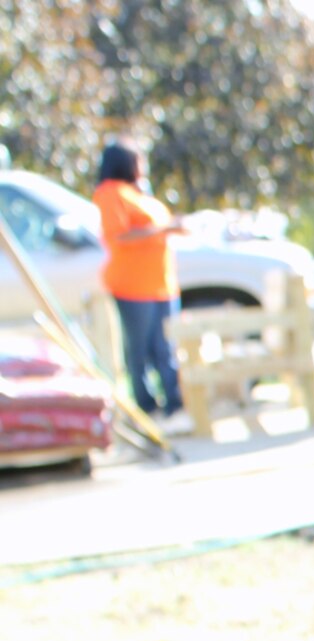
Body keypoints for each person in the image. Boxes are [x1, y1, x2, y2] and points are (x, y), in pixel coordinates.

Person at [91, 140, 191, 436]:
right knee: (140, 350)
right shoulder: (110, 193)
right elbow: (119, 235)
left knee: (166, 348)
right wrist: (163, 229)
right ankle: (147, 410)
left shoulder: (140, 193)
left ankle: (175, 406)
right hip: (133, 285)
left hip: (161, 284)